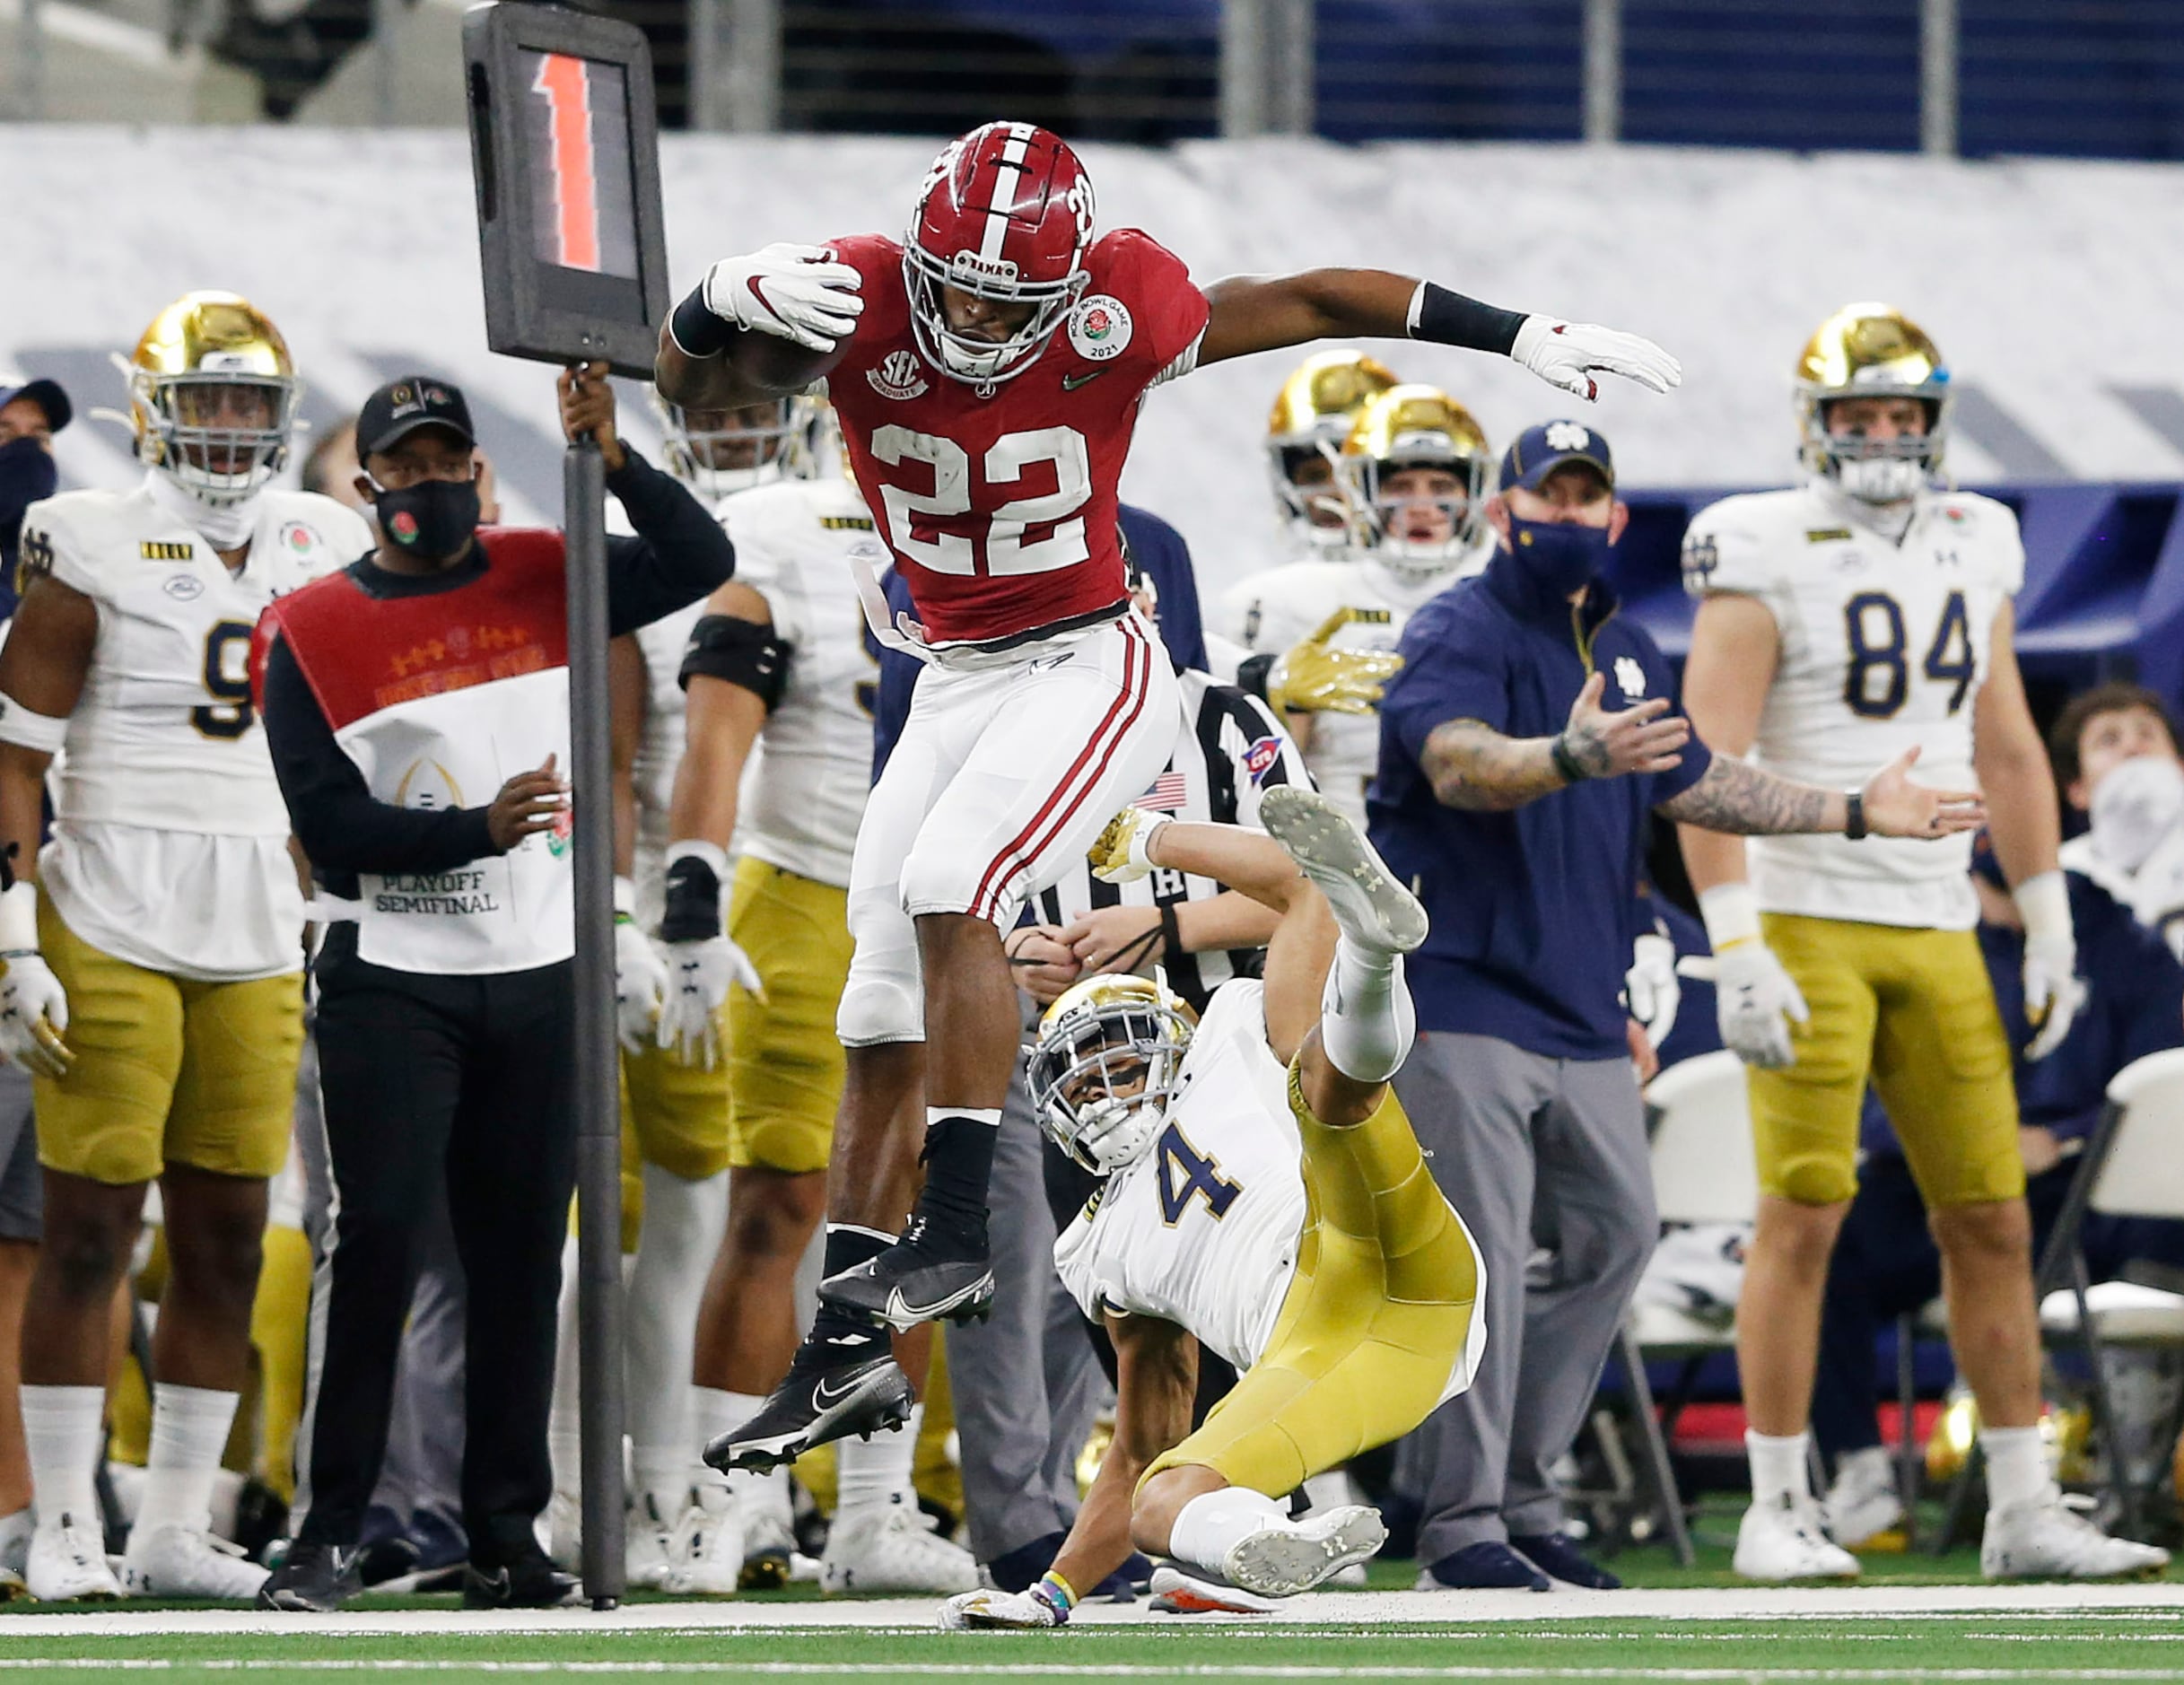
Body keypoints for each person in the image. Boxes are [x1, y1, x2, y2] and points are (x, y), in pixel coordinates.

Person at [660, 118, 1682, 1469]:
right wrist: (709, 295)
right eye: (957, 287)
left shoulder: (1115, 307)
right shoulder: (855, 287)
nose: (973, 318)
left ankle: (954, 1230)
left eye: (1006, 300)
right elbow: (683, 381)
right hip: (956, 669)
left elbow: (1315, 301)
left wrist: (1517, 332)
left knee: (946, 881)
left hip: (1087, 656)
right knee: (874, 985)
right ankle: (847, 1341)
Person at [1369, 418, 1982, 1593]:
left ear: (1613, 517)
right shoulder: (1455, 623)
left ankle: (1518, 1492)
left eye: (1583, 496)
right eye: (1544, 496)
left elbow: (1701, 780)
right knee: (1482, 1259)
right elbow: (1453, 760)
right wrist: (1566, 753)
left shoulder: (1629, 638)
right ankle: (1458, 1524)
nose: (1565, 514)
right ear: (1504, 513)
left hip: (1581, 999)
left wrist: (1857, 811)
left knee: (1613, 1237)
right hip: (1461, 988)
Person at [1677, 303, 2167, 1583]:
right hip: (1801, 909)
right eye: (1860, 415)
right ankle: (1781, 1503)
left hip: (1938, 916)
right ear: (1814, 424)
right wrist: (1734, 940)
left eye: (1904, 415)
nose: (1885, 437)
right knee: (1802, 1211)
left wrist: (2048, 914)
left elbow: (2004, 741)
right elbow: (1699, 764)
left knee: (1993, 1218)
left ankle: (2018, 1504)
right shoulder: (1760, 543)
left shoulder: (1979, 535)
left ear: (1934, 421)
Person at [251, 367, 733, 1611]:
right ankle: (328, 1530)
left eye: (442, 462)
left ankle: (505, 1532)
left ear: (476, 471)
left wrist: (614, 458)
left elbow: (698, 552)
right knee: (381, 1251)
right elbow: (330, 825)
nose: (424, 485)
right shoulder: (307, 626)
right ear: (366, 488)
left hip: (539, 970)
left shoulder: (541, 568)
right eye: (399, 468)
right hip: (393, 979)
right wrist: (477, 827)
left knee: (527, 1265)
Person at [0, 296, 370, 1602]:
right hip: (106, 902)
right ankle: (58, 1522)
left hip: (260, 920)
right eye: (202, 402)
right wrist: (13, 932)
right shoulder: (90, 538)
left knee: (222, 1234)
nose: (223, 429)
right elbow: (17, 751)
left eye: (244, 406)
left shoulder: (324, 538)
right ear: (151, 409)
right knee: (89, 1232)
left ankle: (169, 1525)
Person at [939, 786, 1481, 1627]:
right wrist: (1052, 1594)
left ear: (1169, 1041)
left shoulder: (1228, 1041)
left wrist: (1148, 838)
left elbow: (1303, 888)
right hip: (1331, 1347)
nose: (1105, 1091)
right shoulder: (1095, 1243)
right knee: (1163, 1500)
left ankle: (1373, 955)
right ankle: (1253, 1548)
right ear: (1054, 1108)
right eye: (1082, 1079)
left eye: (1119, 1062)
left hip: (1369, 1237)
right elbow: (1141, 1442)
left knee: (1321, 1091)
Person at [639, 406, 975, 1599]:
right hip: (802, 887)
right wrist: (696, 879)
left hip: (944, 899)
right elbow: (719, 724)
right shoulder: (781, 527)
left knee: (926, 1224)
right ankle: (730, 1496)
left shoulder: (1011, 523)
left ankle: (873, 1515)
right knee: (777, 1201)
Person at [954, 554, 1314, 1594]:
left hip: (1224, 1049)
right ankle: (1145, 1542)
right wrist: (1009, 954)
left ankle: (1217, 1528)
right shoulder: (1005, 734)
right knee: (1125, 1324)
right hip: (1086, 1073)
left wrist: (1164, 923)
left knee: (1238, 1301)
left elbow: (1319, 885)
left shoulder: (1228, 720)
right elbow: (953, 904)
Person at [547, 393, 810, 1589]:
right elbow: (606, 762)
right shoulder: (647, 570)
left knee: (697, 1209)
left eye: (761, 409)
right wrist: (613, 912)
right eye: (718, 414)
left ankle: (667, 1468)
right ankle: (571, 1477)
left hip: (738, 914)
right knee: (598, 1219)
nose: (742, 433)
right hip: (632, 906)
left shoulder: (812, 553)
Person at [1813, 852, 2184, 1545]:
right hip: (1942, 1172)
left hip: (2076, 1188)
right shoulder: (1928, 939)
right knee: (1830, 1243)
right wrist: (1953, 1134)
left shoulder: (2127, 948)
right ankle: (1859, 1471)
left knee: (2138, 1223)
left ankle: (2115, 1474)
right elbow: (1872, 1085)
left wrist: (2066, 1136)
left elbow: (2158, 1077)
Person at [1220, 384, 1496, 830]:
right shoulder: (1289, 598)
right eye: (1401, 486)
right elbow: (1261, 762)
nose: (1421, 506)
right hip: (1341, 846)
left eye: (1442, 486)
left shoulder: (1500, 595)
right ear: (1361, 493)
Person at [0, 369, 70, 1596]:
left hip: (38, 925)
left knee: (18, 1245)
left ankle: (17, 1511)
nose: (28, 447)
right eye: (6, 428)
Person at [2051, 683, 2184, 958]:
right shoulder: (2059, 876)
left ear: (2180, 767)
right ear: (2078, 789)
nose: (2133, 747)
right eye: (2109, 740)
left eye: (2147, 734)